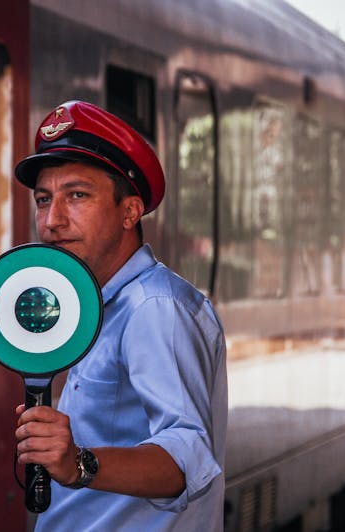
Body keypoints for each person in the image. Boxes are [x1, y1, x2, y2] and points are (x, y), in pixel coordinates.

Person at [13, 100, 228, 531]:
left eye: (77, 195)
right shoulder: (96, 303)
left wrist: (78, 464)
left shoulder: (154, 308)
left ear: (130, 211)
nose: (53, 220)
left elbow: (187, 458)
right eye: (43, 199)